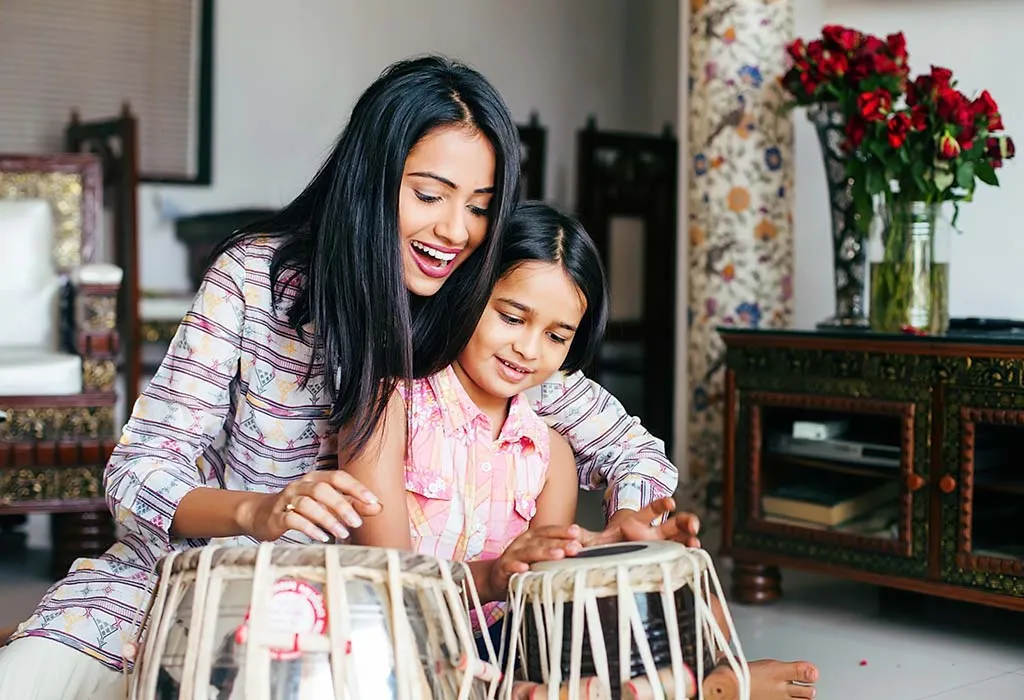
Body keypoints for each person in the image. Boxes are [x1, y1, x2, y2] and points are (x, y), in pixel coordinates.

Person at [0, 55, 693, 700]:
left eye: (480, 206)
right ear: (373, 177)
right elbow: (137, 473)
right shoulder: (255, 281)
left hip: (349, 637)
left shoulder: (473, 318)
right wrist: (254, 512)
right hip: (168, 592)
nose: (456, 231)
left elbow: (629, 449)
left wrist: (632, 516)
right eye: (430, 194)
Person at [345, 202, 818, 700]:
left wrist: (612, 545)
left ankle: (711, 674)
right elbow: (390, 584)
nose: (528, 349)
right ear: (466, 291)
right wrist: (493, 576)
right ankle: (676, 688)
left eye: (555, 336)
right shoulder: (385, 405)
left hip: (507, 644)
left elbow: (545, 596)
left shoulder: (549, 453)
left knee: (670, 576)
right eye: (511, 317)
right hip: (398, 645)